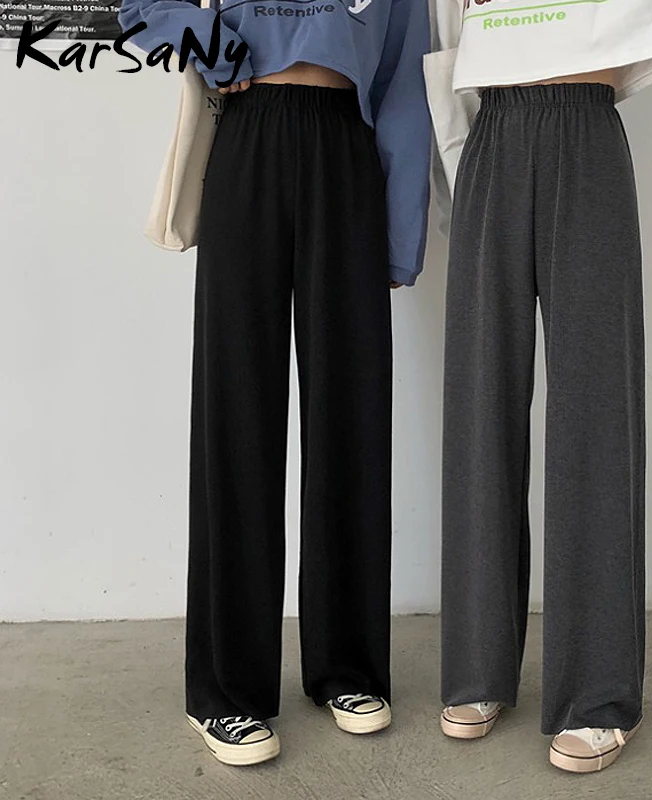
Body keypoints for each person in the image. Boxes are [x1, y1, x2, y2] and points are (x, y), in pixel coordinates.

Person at [118, 0, 431, 766]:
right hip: (249, 138)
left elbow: (403, 82)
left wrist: (400, 235)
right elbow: (139, 6)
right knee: (238, 413)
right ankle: (225, 689)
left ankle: (347, 668)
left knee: (352, 415)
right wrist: (216, 48)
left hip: (346, 149)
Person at [424, 0, 652, 773]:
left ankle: (598, 694)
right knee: (480, 404)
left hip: (585, 128)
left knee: (596, 412)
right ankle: (478, 669)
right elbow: (445, 43)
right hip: (492, 134)